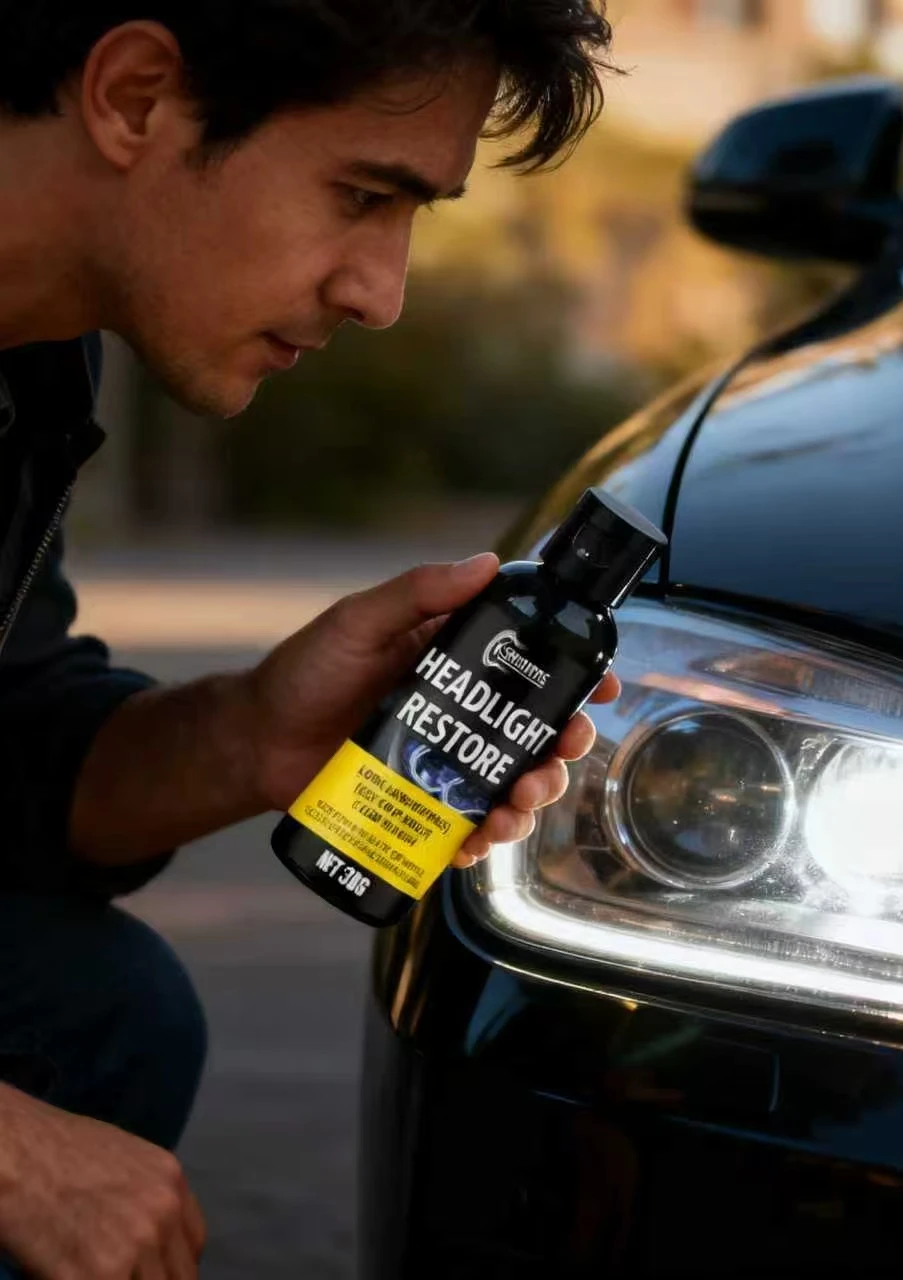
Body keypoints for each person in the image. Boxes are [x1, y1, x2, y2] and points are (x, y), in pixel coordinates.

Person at [0, 2, 616, 1276]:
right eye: (360, 193)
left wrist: (252, 734)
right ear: (132, 96)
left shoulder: (32, 368)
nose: (380, 294)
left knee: (101, 1004)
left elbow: (11, 763)